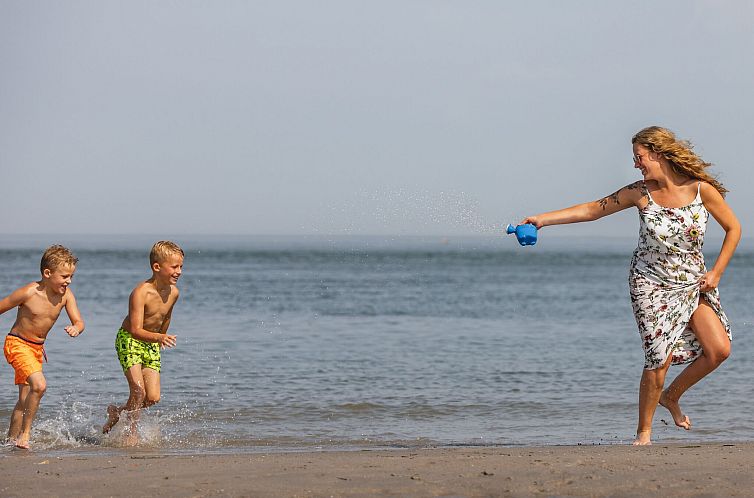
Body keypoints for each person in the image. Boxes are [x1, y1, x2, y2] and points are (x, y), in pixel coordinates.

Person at [521, 126, 741, 445]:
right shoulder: (640, 192)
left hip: (692, 281)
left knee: (719, 349)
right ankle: (644, 433)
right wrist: (542, 219)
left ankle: (671, 397)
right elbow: (592, 210)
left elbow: (734, 229)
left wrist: (717, 272)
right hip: (650, 284)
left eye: (639, 157)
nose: (636, 164)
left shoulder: (701, 190)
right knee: (659, 356)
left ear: (658, 153)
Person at [1, 245, 85, 449]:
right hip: (17, 344)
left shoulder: (66, 296)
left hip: (37, 349)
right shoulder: (29, 292)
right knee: (40, 386)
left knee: (24, 399)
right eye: (64, 276)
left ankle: (9, 442)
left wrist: (76, 327)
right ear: (47, 273)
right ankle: (25, 436)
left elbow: (80, 321)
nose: (69, 281)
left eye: (71, 276)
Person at [102, 240, 183, 445]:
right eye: (174, 266)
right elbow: (137, 329)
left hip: (152, 344)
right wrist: (160, 337)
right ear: (157, 267)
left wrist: (160, 339)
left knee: (153, 397)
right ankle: (132, 433)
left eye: (181, 266)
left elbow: (165, 318)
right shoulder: (141, 292)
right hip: (130, 340)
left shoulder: (174, 292)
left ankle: (117, 413)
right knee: (138, 391)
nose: (179, 271)